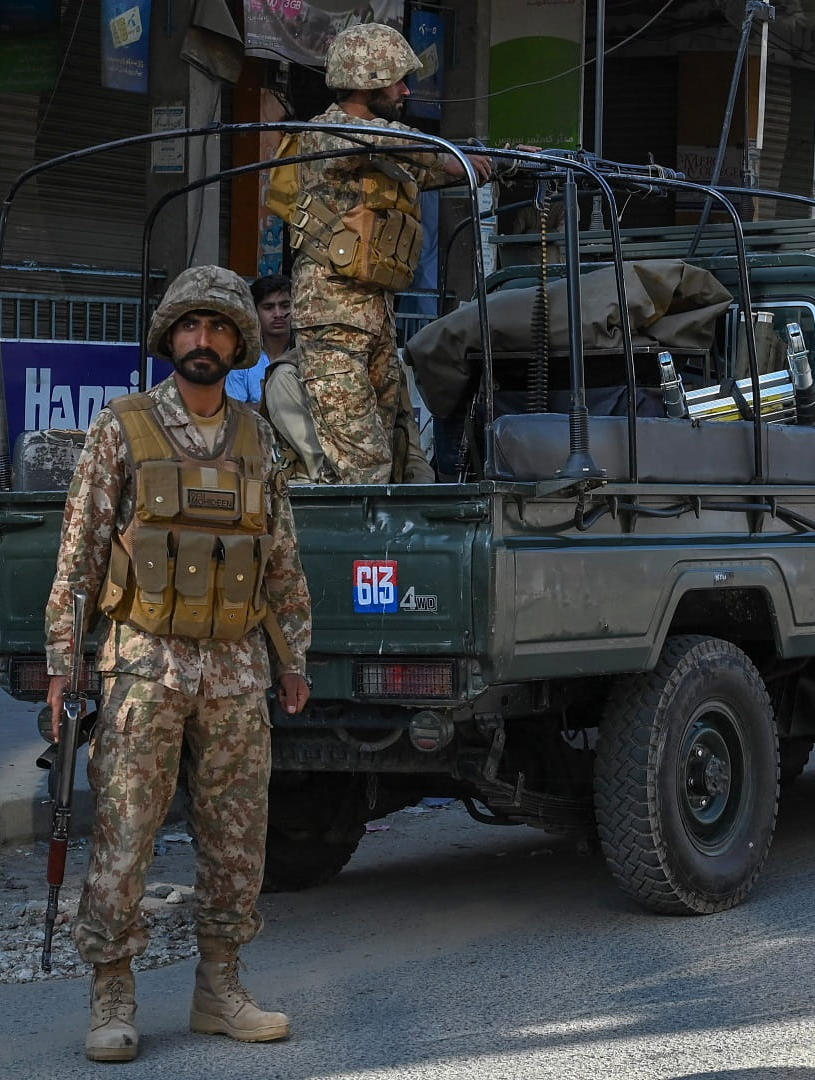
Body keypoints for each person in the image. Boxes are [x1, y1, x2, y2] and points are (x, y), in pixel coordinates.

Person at [42, 267, 314, 1061]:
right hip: (144, 669)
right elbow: (80, 553)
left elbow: (283, 556)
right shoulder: (122, 429)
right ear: (171, 339)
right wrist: (66, 660)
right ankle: (112, 995)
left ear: (238, 341)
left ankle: (220, 987)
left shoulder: (258, 436)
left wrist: (293, 653)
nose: (204, 341)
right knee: (125, 835)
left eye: (219, 328)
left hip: (235, 668)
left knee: (238, 840)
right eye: (190, 328)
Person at [287, 22, 495, 483]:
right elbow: (397, 143)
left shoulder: (386, 149)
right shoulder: (327, 133)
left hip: (374, 314)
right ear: (367, 79)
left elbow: (436, 169)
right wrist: (453, 152)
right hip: (332, 315)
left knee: (392, 451)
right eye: (397, 79)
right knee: (363, 462)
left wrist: (503, 161)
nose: (404, 90)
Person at [226, 274, 291, 404]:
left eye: (285, 306)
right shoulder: (243, 361)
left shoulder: (308, 354)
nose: (278, 314)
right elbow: (235, 412)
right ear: (255, 312)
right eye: (268, 307)